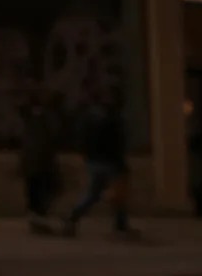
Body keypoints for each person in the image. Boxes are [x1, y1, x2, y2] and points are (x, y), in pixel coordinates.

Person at [65, 89, 133, 236]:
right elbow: (118, 143)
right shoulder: (115, 119)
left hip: (95, 161)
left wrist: (87, 156)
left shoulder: (91, 117)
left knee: (93, 194)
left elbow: (83, 139)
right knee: (118, 194)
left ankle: (73, 217)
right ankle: (120, 225)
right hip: (111, 162)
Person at [18, 94, 63, 233]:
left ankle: (36, 218)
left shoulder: (29, 119)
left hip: (33, 161)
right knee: (44, 190)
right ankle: (38, 218)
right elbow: (54, 135)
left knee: (34, 191)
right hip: (42, 161)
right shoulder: (46, 118)